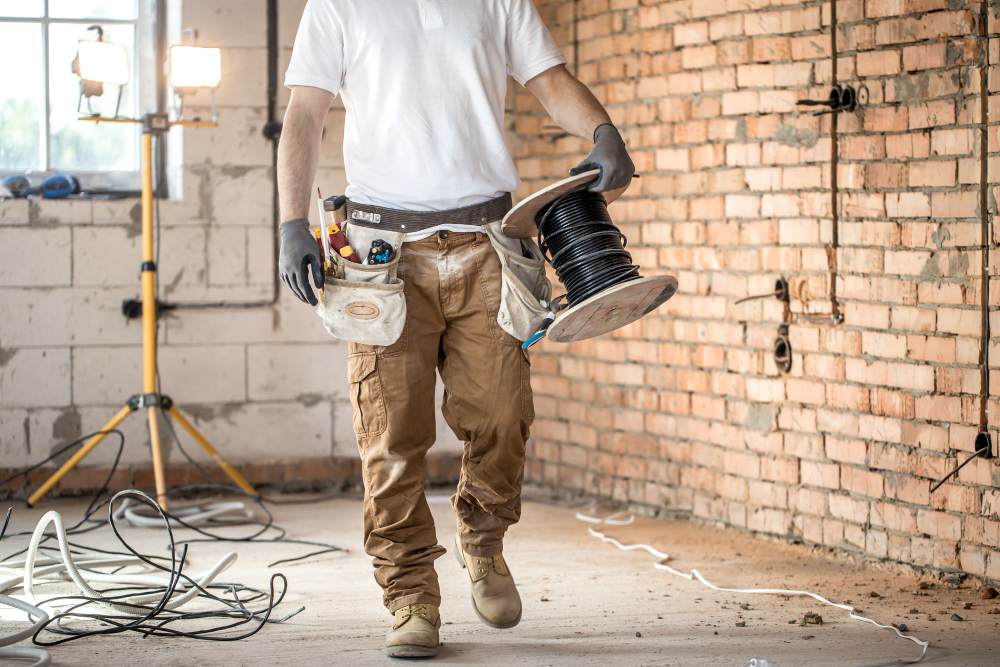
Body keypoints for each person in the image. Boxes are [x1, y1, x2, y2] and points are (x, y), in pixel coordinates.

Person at [277, 0, 634, 659]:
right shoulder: (337, 5)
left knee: (503, 413)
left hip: (489, 245)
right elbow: (305, 111)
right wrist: (291, 220)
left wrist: (602, 131)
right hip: (381, 257)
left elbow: (550, 81)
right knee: (390, 436)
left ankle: (483, 539)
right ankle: (411, 593)